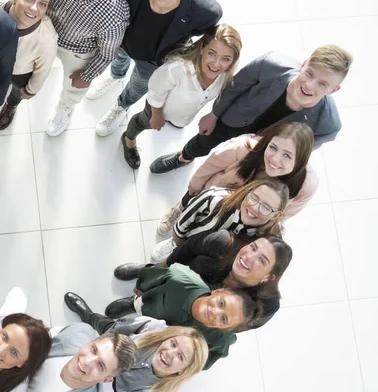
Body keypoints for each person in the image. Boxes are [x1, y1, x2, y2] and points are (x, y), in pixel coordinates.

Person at [93, 0, 223, 137]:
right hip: (124, 39)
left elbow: (204, 31)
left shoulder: (204, 10)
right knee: (118, 59)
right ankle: (115, 76)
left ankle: (121, 105)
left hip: (153, 59)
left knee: (137, 86)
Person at [150, 45, 353, 174]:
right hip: (232, 121)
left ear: (334, 90)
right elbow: (234, 86)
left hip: (263, 150)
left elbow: (297, 152)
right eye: (309, 74)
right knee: (202, 142)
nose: (309, 86)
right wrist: (214, 114)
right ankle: (184, 157)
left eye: (322, 84)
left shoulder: (328, 126)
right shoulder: (270, 64)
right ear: (304, 64)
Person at [63, 293, 208, 392]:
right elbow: (118, 329)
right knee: (101, 324)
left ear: (183, 370)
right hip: (116, 347)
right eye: (173, 343)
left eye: (180, 356)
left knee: (81, 385)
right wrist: (96, 347)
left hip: (116, 384)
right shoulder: (153, 329)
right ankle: (87, 314)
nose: (169, 353)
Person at [42, 0, 131, 136]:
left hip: (77, 50)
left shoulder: (115, 14)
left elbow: (107, 53)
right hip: (45, 29)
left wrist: (86, 76)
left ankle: (66, 107)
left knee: (73, 87)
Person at [158, 121, 316, 234]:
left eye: (287, 156)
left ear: (299, 161)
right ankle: (179, 210)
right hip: (213, 192)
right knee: (192, 204)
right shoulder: (243, 148)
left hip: (243, 215)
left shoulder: (304, 186)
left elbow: (282, 215)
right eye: (273, 147)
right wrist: (194, 187)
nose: (275, 159)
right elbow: (210, 166)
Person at [119, 24, 242, 169]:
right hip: (157, 109)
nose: (216, 64)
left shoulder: (225, 77)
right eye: (212, 53)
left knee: (177, 121)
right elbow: (156, 91)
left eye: (225, 59)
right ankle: (128, 139)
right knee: (142, 122)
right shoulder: (178, 68)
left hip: (181, 113)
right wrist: (157, 116)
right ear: (202, 48)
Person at [115, 230, 293, 328]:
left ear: (268, 277)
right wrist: (160, 267)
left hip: (200, 308)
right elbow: (187, 249)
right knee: (158, 280)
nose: (249, 257)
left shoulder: (267, 305)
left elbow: (237, 325)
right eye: (253, 248)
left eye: (262, 260)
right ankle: (144, 278)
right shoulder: (223, 242)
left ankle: (140, 305)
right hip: (178, 275)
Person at [104, 263, 260, 368]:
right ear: (218, 292)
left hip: (162, 342)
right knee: (143, 300)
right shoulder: (179, 278)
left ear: (225, 329)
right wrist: (141, 287)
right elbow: (152, 277)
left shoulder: (220, 340)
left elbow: (203, 361)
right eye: (221, 303)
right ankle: (133, 303)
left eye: (223, 319)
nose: (215, 312)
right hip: (152, 303)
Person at [151, 178, 289, 263]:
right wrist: (177, 240)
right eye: (254, 198)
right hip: (189, 241)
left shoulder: (269, 239)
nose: (254, 208)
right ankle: (173, 246)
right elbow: (186, 219)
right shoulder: (215, 198)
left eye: (266, 207)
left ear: (276, 216)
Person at [0, 0, 58, 130]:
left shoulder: (46, 38)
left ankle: (11, 104)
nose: (34, 8)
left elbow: (42, 70)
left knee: (17, 90)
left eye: (42, 4)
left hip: (20, 72)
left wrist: (30, 90)